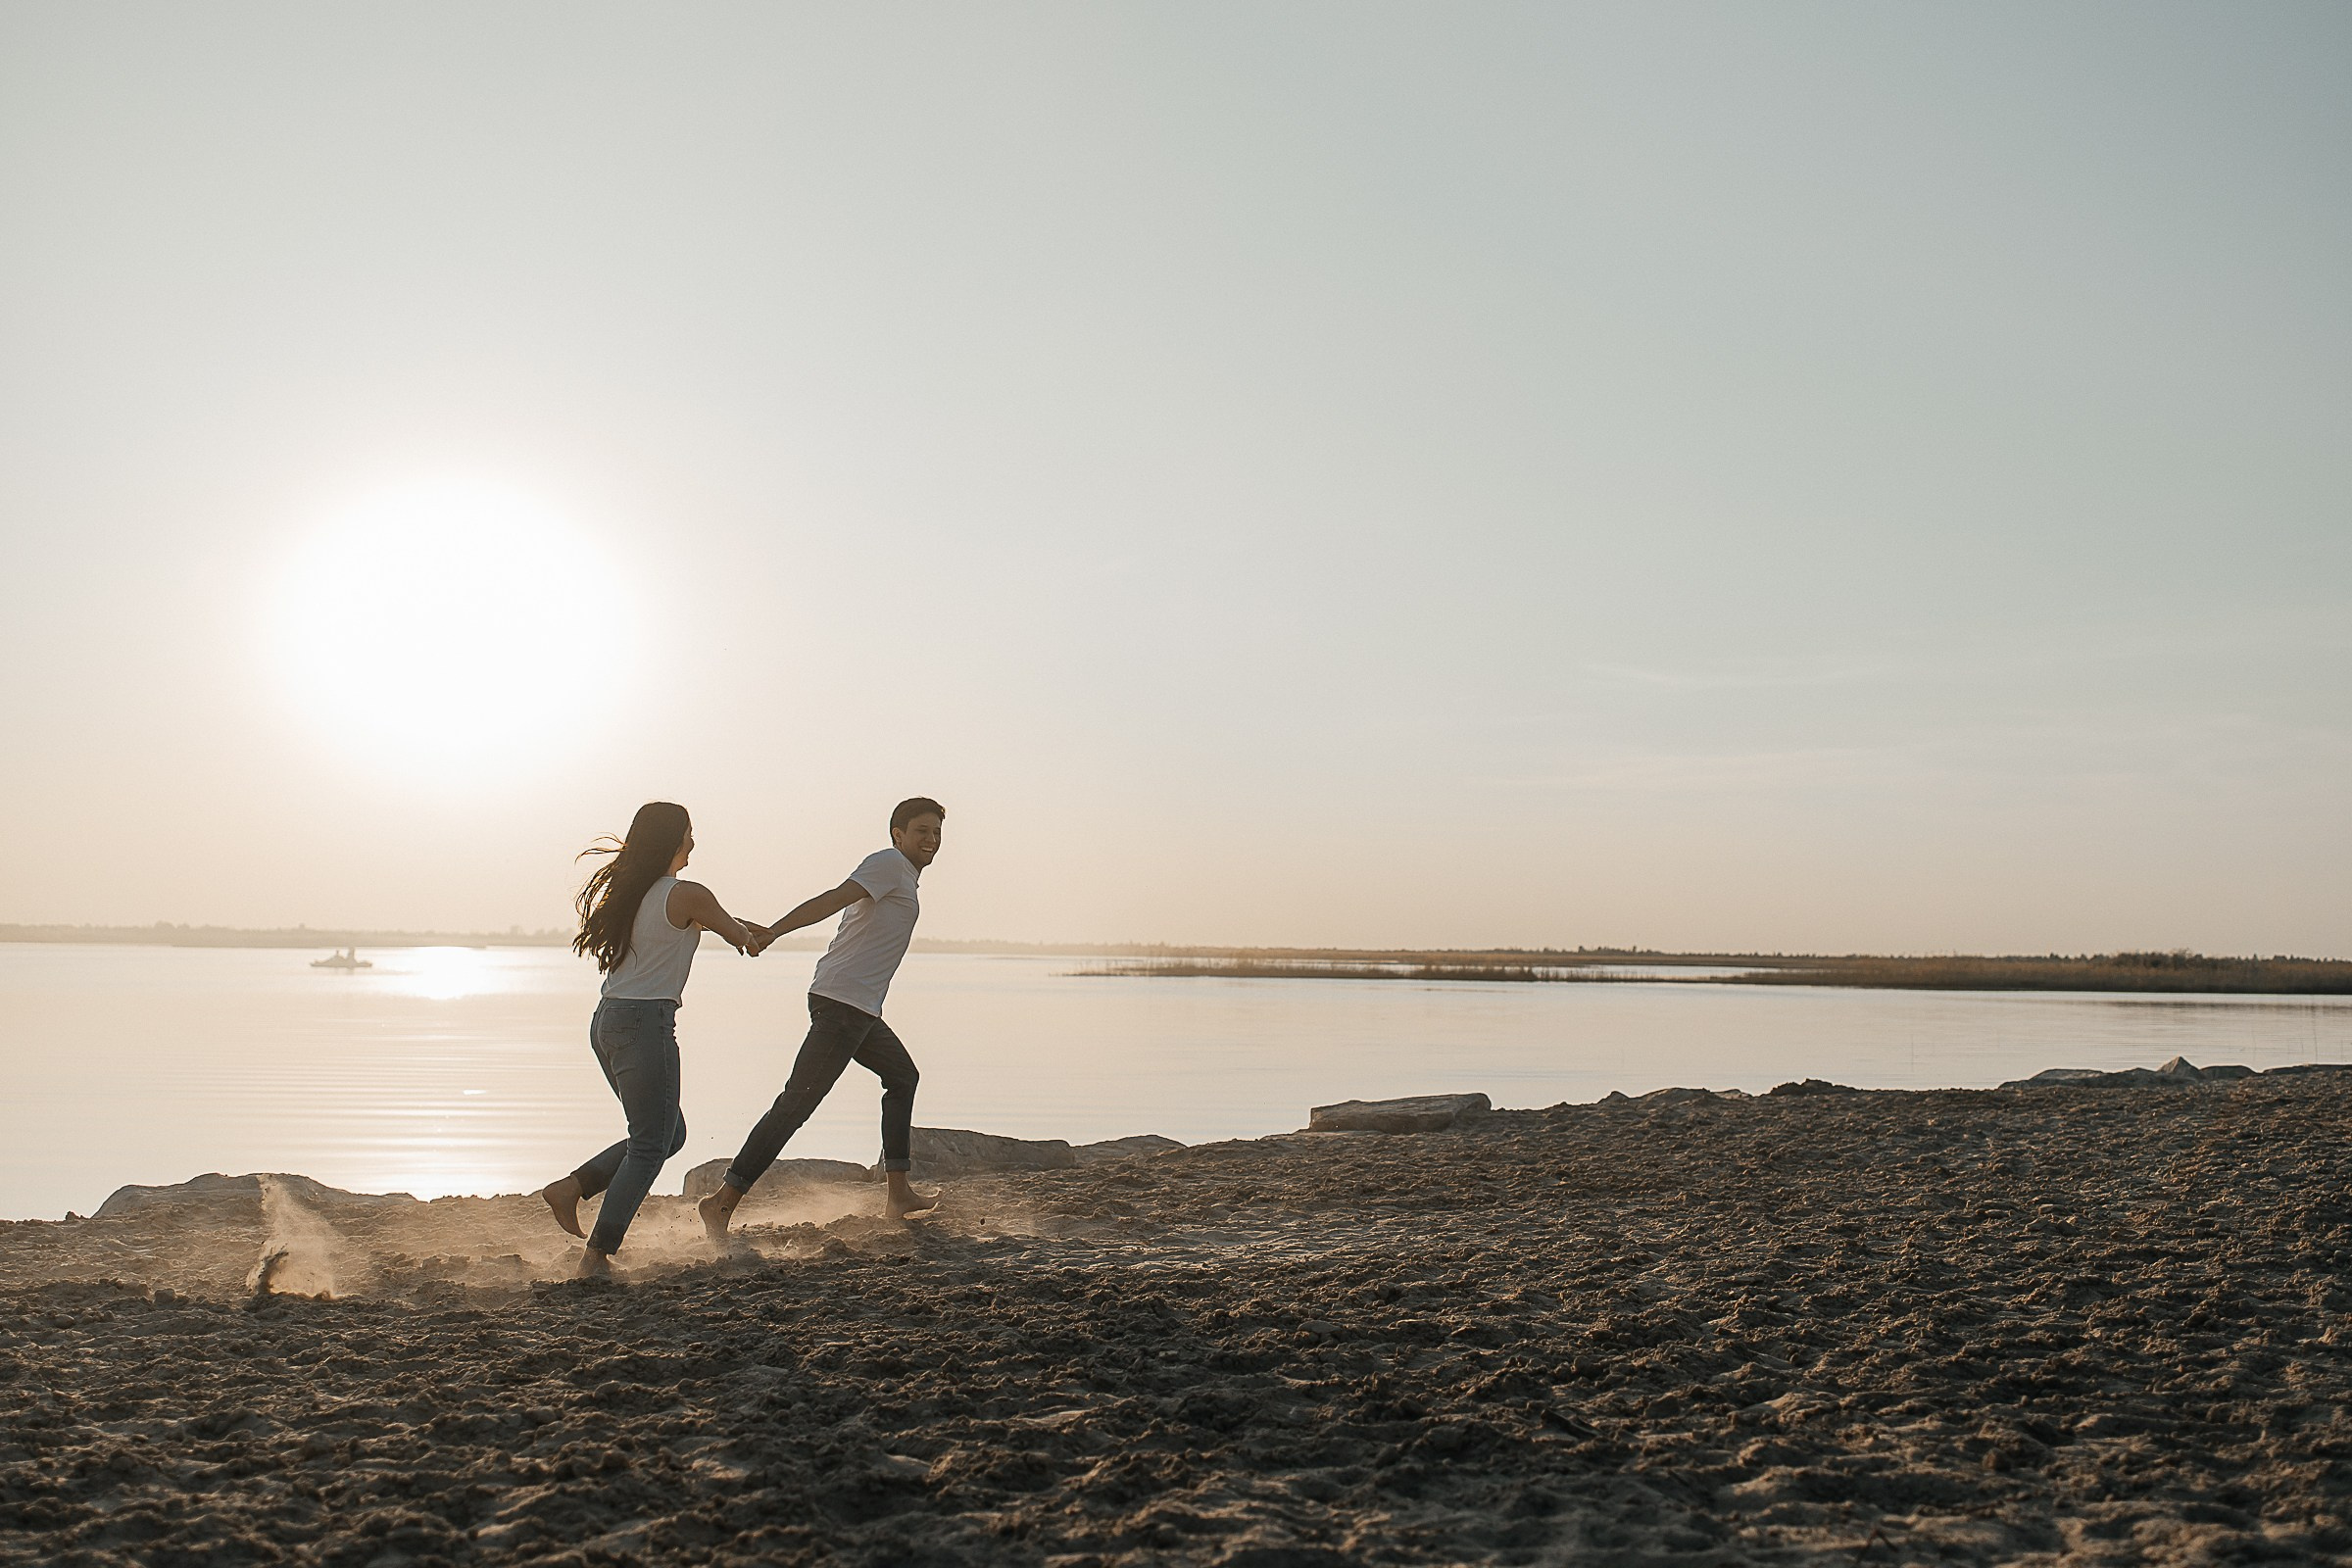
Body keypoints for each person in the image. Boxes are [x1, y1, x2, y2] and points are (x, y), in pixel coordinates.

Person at [701, 798, 946, 1241]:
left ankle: (898, 1192)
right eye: (921, 831)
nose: (931, 839)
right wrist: (775, 930)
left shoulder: (903, 876)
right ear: (898, 835)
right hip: (841, 1004)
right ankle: (721, 1201)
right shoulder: (888, 863)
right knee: (796, 1104)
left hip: (859, 1008)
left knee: (903, 1077)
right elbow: (834, 899)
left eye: (936, 832)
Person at [540, 801, 761, 1277]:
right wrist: (754, 933)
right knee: (649, 1144)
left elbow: (706, 920)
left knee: (667, 1135)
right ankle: (596, 1257)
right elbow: (741, 938)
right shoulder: (688, 894)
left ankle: (572, 1187)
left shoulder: (632, 892)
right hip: (645, 1025)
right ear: (671, 840)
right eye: (688, 832)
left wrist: (731, 924)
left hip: (608, 1021)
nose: (693, 841)